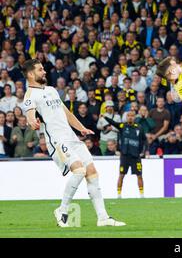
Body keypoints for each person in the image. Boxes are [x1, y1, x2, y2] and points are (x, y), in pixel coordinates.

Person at [22, 59, 125, 227]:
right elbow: (30, 115)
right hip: (57, 140)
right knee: (79, 171)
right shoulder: (30, 95)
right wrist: (32, 122)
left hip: (71, 137)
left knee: (92, 173)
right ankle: (62, 210)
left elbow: (66, 113)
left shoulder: (51, 90)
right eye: (40, 70)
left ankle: (103, 217)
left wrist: (81, 128)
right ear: (31, 74)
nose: (44, 72)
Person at [102, 110, 145, 199]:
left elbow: (144, 140)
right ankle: (119, 194)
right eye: (128, 115)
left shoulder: (139, 128)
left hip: (135, 156)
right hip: (125, 156)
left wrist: (144, 151)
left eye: (132, 116)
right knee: (121, 175)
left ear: (134, 117)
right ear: (126, 117)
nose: (130, 117)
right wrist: (105, 117)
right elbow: (113, 123)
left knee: (139, 175)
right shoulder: (123, 126)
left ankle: (142, 194)